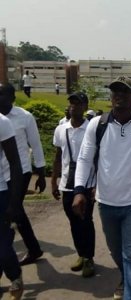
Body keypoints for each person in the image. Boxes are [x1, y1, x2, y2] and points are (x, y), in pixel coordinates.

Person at [72, 76, 131, 300]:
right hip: (106, 203)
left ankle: (130, 294)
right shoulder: (97, 124)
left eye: (125, 91)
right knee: (116, 252)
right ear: (110, 97)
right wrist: (79, 190)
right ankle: (127, 279)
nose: (119, 95)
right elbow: (84, 159)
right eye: (115, 91)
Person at [0, 83, 46, 266]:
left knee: (13, 210)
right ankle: (33, 249)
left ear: (12, 97)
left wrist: (41, 173)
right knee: (17, 212)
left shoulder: (25, 117)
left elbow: (35, 144)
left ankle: (7, 256)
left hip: (20, 172)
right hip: (2, 173)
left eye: (1, 94)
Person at [51, 92, 96, 278]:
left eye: (78, 104)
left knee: (85, 221)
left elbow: (99, 158)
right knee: (73, 221)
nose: (73, 107)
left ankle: (89, 258)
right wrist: (53, 180)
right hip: (67, 183)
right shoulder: (61, 129)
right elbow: (57, 157)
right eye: (71, 103)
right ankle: (81, 254)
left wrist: (97, 184)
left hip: (87, 183)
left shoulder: (92, 129)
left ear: (85, 106)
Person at [0, 108, 24, 299]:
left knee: (3, 247)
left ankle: (15, 275)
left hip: (0, 192)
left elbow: (15, 163)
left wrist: (14, 202)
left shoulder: (2, 122)